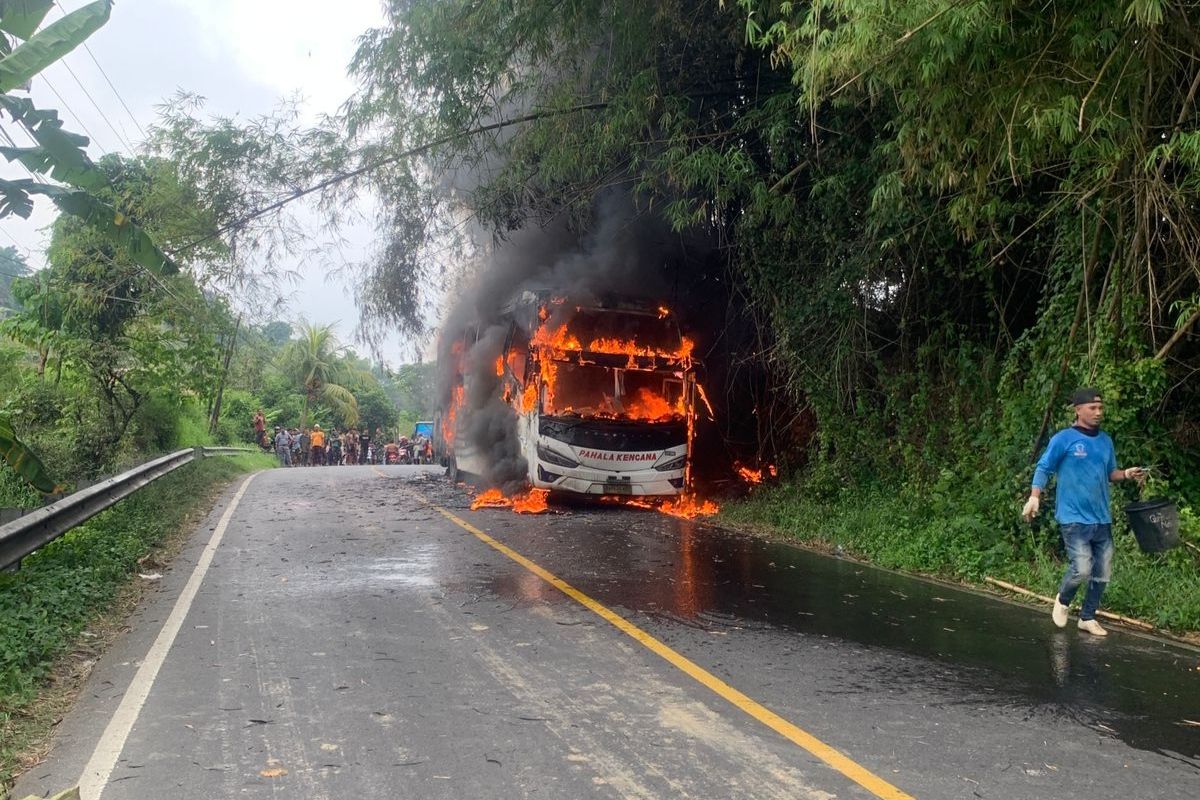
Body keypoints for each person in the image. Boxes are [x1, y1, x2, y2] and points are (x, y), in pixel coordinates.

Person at [1023, 387, 1146, 636]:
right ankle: (1063, 600)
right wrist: (1034, 497)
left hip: (1101, 516)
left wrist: (1126, 474)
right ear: (1078, 410)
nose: (1098, 412)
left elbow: (1110, 474)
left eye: (1100, 408)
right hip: (1073, 517)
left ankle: (1087, 617)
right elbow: (1044, 467)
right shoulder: (1064, 439)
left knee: (1102, 570)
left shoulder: (1105, 441)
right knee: (1081, 568)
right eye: (1093, 408)